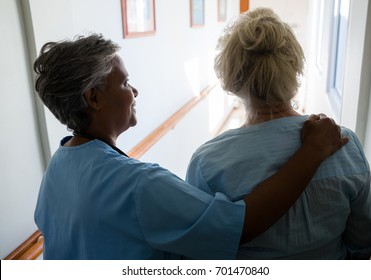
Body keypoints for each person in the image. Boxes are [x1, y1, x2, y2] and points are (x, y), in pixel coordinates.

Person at [34, 33, 346, 260]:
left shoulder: (59, 164)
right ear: (94, 98)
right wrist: (312, 151)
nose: (135, 91)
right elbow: (240, 226)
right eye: (125, 83)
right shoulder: (140, 185)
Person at [186, 8, 371, 259]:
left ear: (231, 79)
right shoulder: (343, 144)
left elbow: (202, 253)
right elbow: (365, 243)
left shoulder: (206, 164)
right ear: (295, 68)